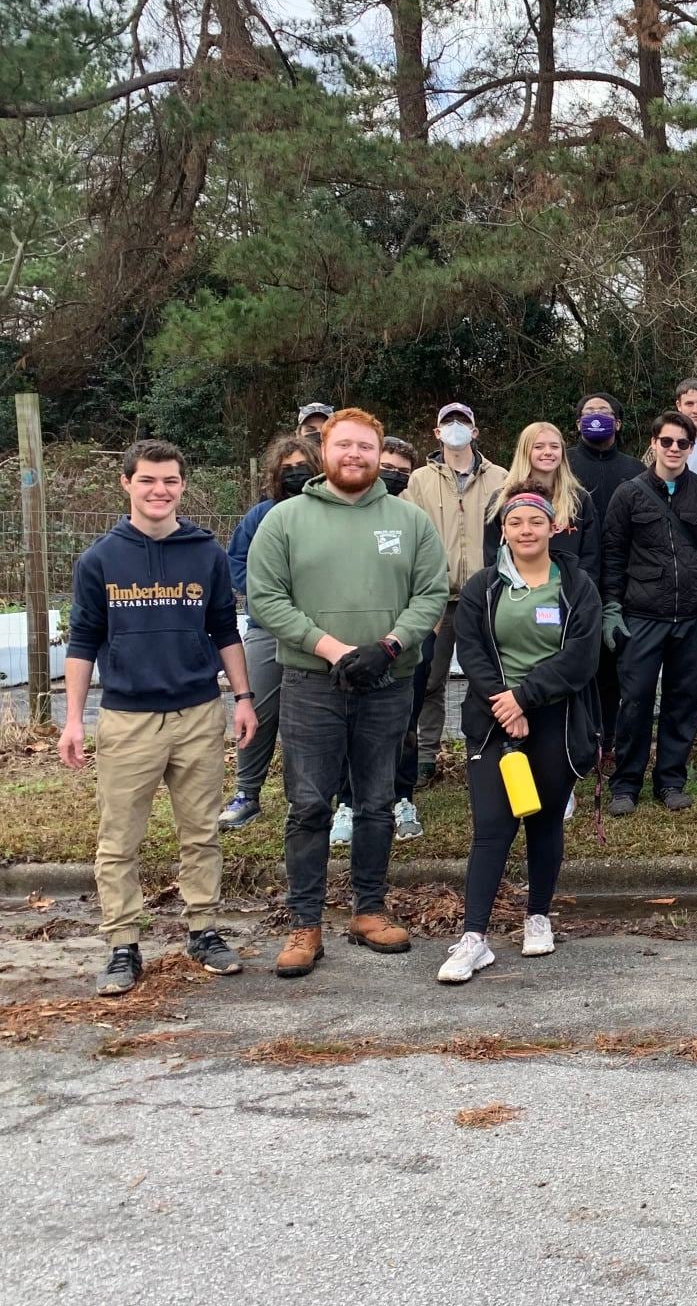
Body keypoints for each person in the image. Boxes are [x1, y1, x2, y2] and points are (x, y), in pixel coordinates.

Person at [247, 408, 450, 979]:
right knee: (309, 802)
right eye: (344, 446)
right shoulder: (284, 521)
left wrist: (389, 646)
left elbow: (432, 592)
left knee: (376, 800)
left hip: (387, 680)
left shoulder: (410, 521)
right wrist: (333, 649)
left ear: (379, 453)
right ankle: (305, 921)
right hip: (312, 682)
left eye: (366, 446)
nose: (355, 455)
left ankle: (369, 908)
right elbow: (266, 598)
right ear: (324, 452)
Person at [59, 441, 258, 996]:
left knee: (201, 833)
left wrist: (242, 698)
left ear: (182, 486)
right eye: (147, 480)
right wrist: (73, 719)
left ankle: (203, 930)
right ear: (127, 484)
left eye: (169, 480)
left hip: (197, 713)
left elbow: (225, 628)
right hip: (127, 719)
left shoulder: (206, 552)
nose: (159, 490)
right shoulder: (100, 559)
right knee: (119, 838)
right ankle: (123, 944)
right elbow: (82, 641)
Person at [438, 490, 604, 984]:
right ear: (504, 531)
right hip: (494, 718)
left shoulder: (576, 586)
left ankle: (537, 916)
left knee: (545, 820)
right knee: (492, 826)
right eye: (516, 523)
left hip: (555, 718)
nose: (526, 530)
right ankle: (474, 938)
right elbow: (471, 650)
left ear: (553, 529)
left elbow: (581, 655)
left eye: (536, 521)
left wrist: (526, 698)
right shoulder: (483, 586)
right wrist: (504, 703)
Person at [600, 411, 697, 814]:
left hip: (694, 617)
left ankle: (671, 780)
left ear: (692, 448)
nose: (674, 449)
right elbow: (613, 555)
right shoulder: (629, 494)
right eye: (667, 442)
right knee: (636, 700)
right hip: (643, 615)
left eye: (682, 443)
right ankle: (626, 784)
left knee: (684, 701)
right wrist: (611, 607)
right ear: (653, 443)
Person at [404, 402, 507, 790]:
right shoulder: (418, 481)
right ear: (436, 433)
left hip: (487, 594)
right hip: (436, 597)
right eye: (448, 422)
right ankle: (425, 757)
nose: (456, 427)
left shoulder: (501, 476)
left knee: (493, 675)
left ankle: (489, 751)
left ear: (476, 431)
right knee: (429, 679)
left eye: (463, 421)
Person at [219, 433, 319, 831]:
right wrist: (267, 596)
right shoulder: (259, 516)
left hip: (318, 632)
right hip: (267, 628)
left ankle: (307, 797)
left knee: (311, 719)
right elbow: (237, 563)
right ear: (275, 474)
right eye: (288, 469)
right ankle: (247, 792)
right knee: (257, 712)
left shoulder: (331, 513)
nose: (296, 475)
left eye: (304, 468)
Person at [569, 391, 643, 767]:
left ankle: (611, 740)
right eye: (589, 411)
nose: (596, 416)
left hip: (624, 583)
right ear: (578, 420)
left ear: (618, 421)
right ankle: (580, 739)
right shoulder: (562, 465)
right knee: (581, 665)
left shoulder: (634, 469)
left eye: (604, 411)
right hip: (574, 582)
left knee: (615, 665)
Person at [379, 435, 429, 841]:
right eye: (387, 467)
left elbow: (427, 585)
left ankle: (402, 798)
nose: (392, 476)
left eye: (401, 472)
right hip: (347, 646)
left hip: (404, 645)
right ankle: (347, 802)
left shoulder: (412, 519)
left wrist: (401, 635)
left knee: (405, 725)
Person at [480, 421, 602, 588]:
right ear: (525, 451)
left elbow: (591, 557)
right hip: (517, 594)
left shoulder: (579, 499)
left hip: (568, 594)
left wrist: (578, 593)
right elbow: (492, 556)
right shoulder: (502, 499)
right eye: (538, 447)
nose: (548, 452)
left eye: (554, 446)